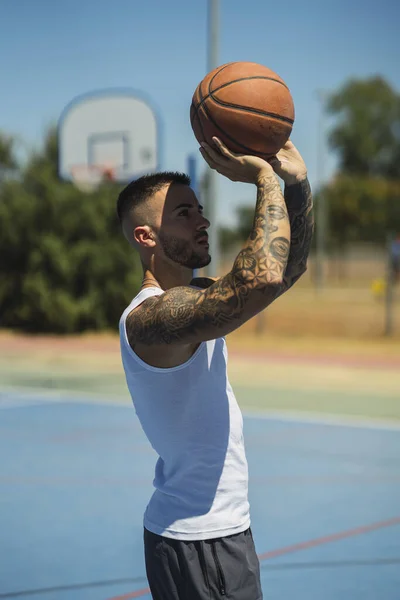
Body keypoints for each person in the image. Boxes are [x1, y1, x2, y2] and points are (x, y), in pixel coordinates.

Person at [117, 137, 313, 600]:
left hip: (215, 534)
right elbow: (262, 276)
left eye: (199, 209)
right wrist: (264, 179)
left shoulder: (196, 299)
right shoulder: (149, 320)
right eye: (183, 214)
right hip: (200, 540)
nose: (202, 220)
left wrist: (297, 185)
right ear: (146, 237)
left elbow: (288, 267)